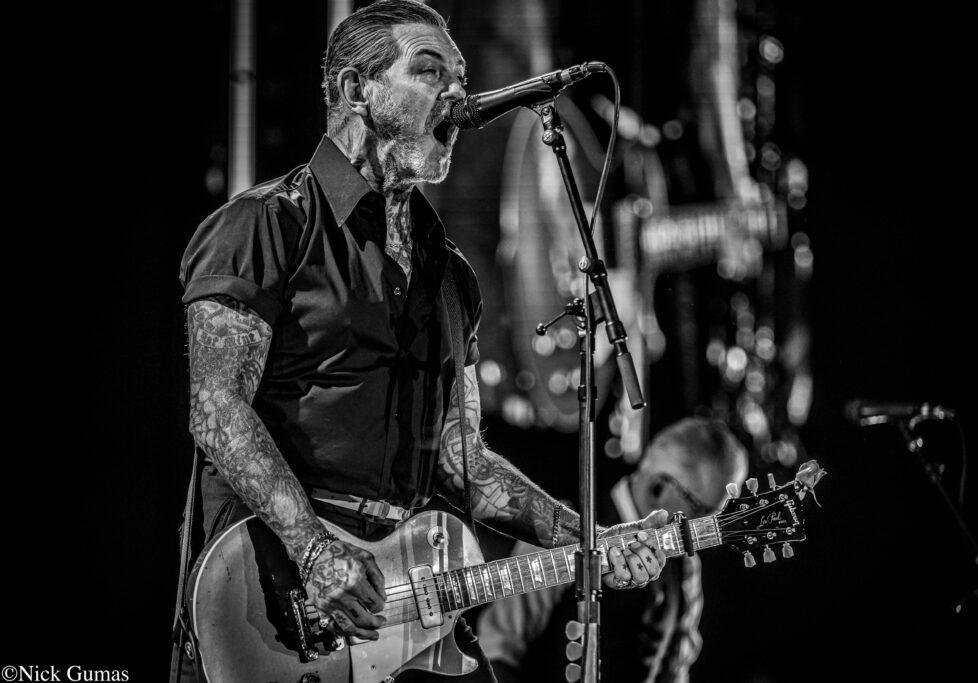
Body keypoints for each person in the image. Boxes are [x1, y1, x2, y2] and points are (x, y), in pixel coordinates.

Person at [170, 2, 667, 681]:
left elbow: (465, 465)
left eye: (461, 76)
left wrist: (594, 539)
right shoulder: (263, 226)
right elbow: (217, 408)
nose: (458, 93)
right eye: (430, 71)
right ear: (356, 90)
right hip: (276, 590)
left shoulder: (451, 278)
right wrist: (314, 550)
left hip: (397, 602)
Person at [475, 417, 749, 683]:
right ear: (659, 487)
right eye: (701, 510)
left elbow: (677, 666)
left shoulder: (687, 566)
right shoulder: (561, 529)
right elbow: (499, 644)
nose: (703, 525)